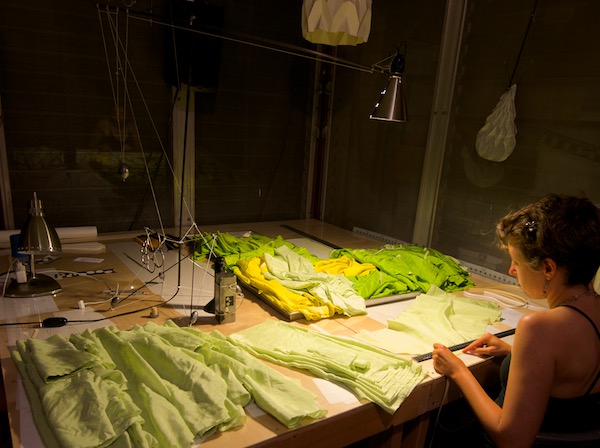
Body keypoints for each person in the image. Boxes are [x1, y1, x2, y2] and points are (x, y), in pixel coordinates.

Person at [432, 194, 600, 447]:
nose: (511, 270)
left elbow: (512, 438)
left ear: (548, 269)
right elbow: (570, 376)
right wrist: (513, 354)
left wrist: (458, 370)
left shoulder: (539, 328)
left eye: (517, 262)